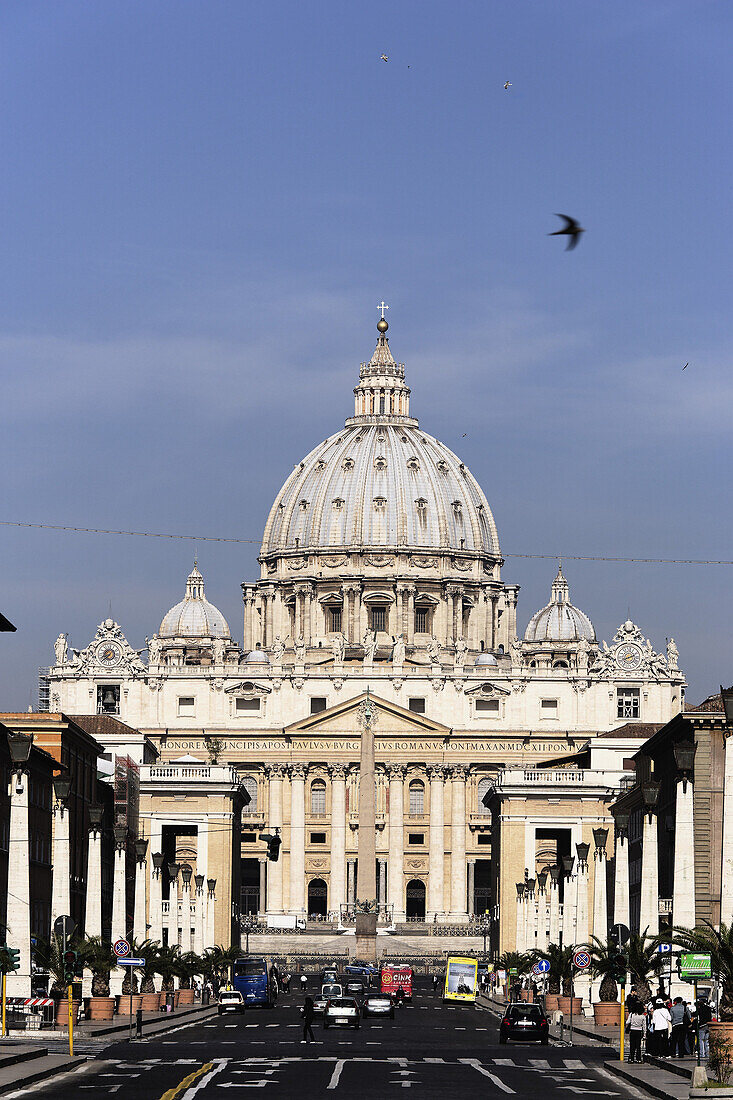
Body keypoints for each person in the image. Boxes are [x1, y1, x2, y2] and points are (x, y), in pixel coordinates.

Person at [626, 998, 647, 1064]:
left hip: (632, 1030)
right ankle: (639, 1059)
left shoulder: (632, 1014)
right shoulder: (643, 1016)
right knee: (638, 1046)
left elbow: (627, 1022)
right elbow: (644, 1026)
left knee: (632, 1045)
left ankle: (631, 1058)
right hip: (639, 1031)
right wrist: (644, 1034)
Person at [696, 995, 713, 1060]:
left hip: (701, 1026)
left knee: (701, 1040)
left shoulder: (699, 1009)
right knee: (707, 1041)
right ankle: (707, 1053)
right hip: (708, 1025)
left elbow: (698, 1017)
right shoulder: (708, 1008)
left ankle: (702, 1054)